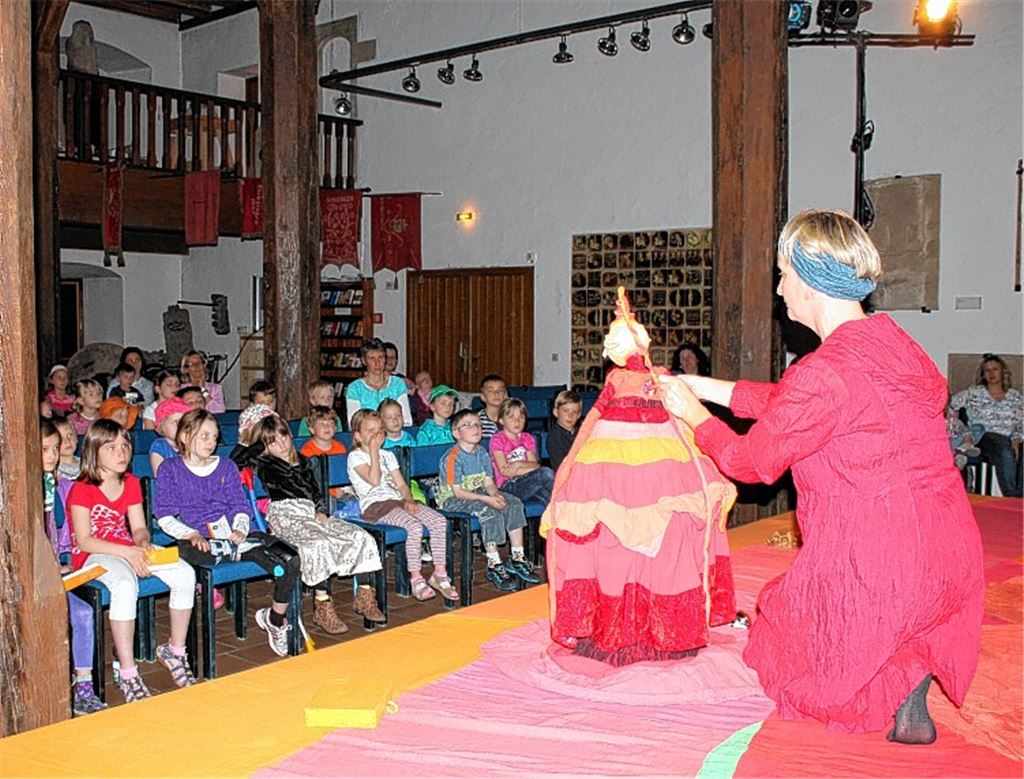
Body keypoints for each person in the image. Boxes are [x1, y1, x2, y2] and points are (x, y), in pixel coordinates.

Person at [659, 209, 984, 742]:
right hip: (949, 554)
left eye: (784, 274)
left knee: (779, 630)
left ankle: (876, 668)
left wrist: (691, 414)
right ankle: (906, 670)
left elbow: (751, 462)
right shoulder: (897, 344)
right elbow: (803, 407)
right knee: (896, 617)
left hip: (877, 559)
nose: (780, 289)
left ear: (809, 282)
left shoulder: (824, 371)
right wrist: (707, 388)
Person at [542, 288, 737, 667]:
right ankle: (651, 624)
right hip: (643, 460)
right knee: (642, 529)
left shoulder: (637, 377)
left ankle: (636, 622)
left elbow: (595, 419)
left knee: (641, 529)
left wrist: (570, 466)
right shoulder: (643, 376)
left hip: (634, 460)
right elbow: (600, 418)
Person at [66, 420, 198, 702]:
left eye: (125, 445)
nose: (121, 452)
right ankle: (128, 672)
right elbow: (85, 540)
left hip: (128, 549)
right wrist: (129, 553)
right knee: (125, 585)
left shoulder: (131, 483)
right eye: (111, 447)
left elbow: (138, 527)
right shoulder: (82, 489)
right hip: (92, 556)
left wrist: (141, 544)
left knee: (185, 574)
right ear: (93, 450)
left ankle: (174, 652)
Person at [154, 410, 304, 652]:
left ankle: (275, 619)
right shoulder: (170, 469)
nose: (211, 442)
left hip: (238, 536)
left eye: (214, 437)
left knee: (291, 557)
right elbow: (164, 516)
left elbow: (239, 506)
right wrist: (189, 534)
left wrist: (240, 529)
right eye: (204, 436)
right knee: (187, 552)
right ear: (184, 436)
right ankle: (245, 552)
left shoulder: (226, 466)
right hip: (200, 538)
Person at [232, 415, 386, 631]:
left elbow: (315, 491)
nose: (281, 443)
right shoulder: (263, 462)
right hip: (286, 516)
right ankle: (322, 604)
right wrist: (259, 443)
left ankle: (365, 595)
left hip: (311, 513)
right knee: (317, 544)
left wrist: (320, 509)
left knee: (359, 536)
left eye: (283, 436)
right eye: (272, 441)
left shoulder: (303, 460)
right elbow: (234, 462)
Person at [348, 410, 458, 601]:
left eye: (380, 429)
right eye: (370, 430)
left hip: (398, 501)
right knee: (413, 526)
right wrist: (374, 452)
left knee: (439, 521)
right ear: (358, 436)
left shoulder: (388, 455)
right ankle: (415, 578)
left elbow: (401, 484)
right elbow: (374, 480)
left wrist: (408, 499)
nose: (377, 434)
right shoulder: (356, 457)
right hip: (376, 507)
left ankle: (439, 574)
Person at [40, 418, 106, 715]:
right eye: (44, 449)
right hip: (32, 577)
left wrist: (65, 561)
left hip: (57, 573)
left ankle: (83, 686)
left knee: (82, 613)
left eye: (55, 448)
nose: (53, 455)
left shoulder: (64, 487)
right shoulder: (18, 493)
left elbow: (67, 537)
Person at [436, 409, 540, 593]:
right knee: (488, 510)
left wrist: (496, 495)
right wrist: (488, 499)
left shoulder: (482, 452)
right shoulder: (452, 457)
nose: (474, 428)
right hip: (453, 499)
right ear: (455, 433)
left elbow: (489, 483)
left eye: (477, 424)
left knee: (514, 503)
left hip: (479, 491)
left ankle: (517, 557)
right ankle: (493, 564)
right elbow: (458, 492)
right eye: (467, 425)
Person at [950, 354, 1023, 497]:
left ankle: (1020, 498)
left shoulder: (1016, 396)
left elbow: (1021, 421)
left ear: (1002, 372)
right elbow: (952, 404)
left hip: (1010, 436)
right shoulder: (974, 393)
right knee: (1003, 447)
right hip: (985, 436)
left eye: (995, 369)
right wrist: (956, 428)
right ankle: (1011, 496)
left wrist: (1016, 438)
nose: (991, 374)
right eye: (987, 370)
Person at [489, 398, 554, 505]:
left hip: (528, 482)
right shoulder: (497, 439)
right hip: (508, 486)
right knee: (546, 473)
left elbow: (535, 465)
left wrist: (517, 464)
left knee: (551, 499)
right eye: (511, 417)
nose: (517, 421)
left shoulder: (527, 438)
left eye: (521, 417)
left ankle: (566, 519)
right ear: (501, 420)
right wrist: (527, 469)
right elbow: (506, 472)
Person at [345, 338, 412, 426]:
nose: (377, 363)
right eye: (372, 358)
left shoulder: (397, 384)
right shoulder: (355, 388)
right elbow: (354, 424)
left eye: (380, 357)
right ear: (364, 361)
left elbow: (407, 421)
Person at [149, 397, 191, 476]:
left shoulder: (191, 445)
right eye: (176, 422)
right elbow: (160, 475)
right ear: (161, 426)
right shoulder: (160, 446)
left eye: (185, 422)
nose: (181, 426)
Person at [547, 390, 582, 472]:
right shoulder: (554, 437)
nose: (570, 416)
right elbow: (561, 466)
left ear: (579, 415)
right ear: (556, 412)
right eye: (566, 411)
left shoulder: (582, 434)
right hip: (565, 476)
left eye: (574, 412)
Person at [53, 416, 82, 480]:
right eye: (61, 438)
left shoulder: (86, 464)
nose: (67, 441)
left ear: (76, 438)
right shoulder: (54, 470)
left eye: (69, 435)